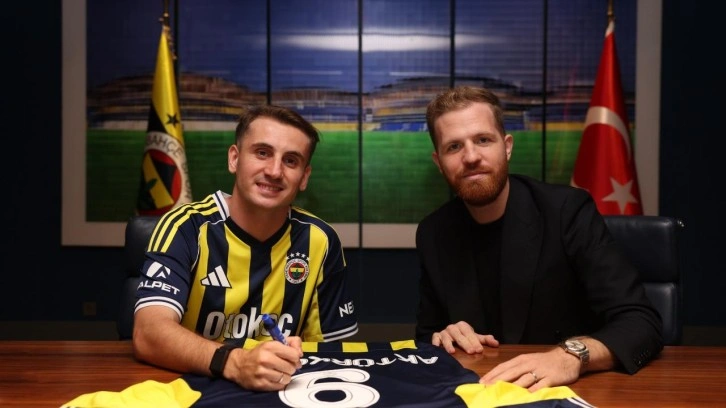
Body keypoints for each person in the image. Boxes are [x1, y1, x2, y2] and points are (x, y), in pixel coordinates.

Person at [415, 85, 662, 391]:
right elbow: (426, 337)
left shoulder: (567, 211)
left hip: (572, 391)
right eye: (454, 147)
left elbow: (641, 322)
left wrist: (571, 356)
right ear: (439, 162)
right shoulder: (433, 232)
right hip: (481, 391)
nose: (471, 157)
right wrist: (443, 337)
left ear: (507, 147)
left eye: (483, 140)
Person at [132, 104, 358, 391]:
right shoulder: (185, 227)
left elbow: (332, 353)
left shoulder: (321, 241)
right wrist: (236, 363)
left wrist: (300, 354)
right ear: (234, 159)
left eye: (291, 161)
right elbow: (148, 333)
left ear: (304, 177)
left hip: (280, 390)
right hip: (186, 389)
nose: (274, 171)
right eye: (262, 153)